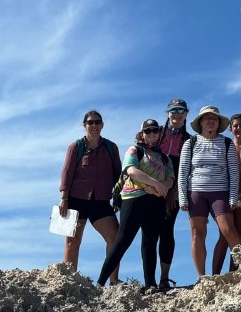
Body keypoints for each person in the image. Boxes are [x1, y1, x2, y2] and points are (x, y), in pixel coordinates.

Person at [96, 119, 176, 291]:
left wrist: (160, 187)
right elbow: (131, 170)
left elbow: (170, 179)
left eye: (155, 130)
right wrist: (155, 183)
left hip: (155, 200)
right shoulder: (134, 150)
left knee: (150, 241)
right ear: (141, 134)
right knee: (123, 240)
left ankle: (150, 284)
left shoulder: (165, 157)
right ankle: (100, 282)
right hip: (133, 198)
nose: (152, 134)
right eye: (148, 131)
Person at [178, 106, 241, 278]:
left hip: (220, 192)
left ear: (219, 122)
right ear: (200, 122)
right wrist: (182, 197)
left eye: (214, 118)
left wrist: (233, 196)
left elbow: (233, 172)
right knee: (197, 234)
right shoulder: (190, 143)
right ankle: (202, 277)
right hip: (195, 192)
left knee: (228, 229)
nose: (211, 121)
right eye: (207, 118)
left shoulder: (227, 143)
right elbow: (183, 171)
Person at [58, 110, 121, 282]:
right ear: (85, 125)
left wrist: (118, 198)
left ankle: (114, 280)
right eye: (90, 122)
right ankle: (69, 280)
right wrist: (64, 198)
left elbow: (118, 175)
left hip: (100, 201)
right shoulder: (75, 147)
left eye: (97, 122)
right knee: (73, 241)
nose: (94, 125)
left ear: (102, 125)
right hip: (76, 200)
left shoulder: (111, 147)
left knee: (115, 238)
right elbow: (67, 172)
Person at [212, 114, 241, 274]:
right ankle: (214, 275)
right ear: (230, 129)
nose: (239, 128)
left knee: (238, 233)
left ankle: (233, 273)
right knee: (224, 234)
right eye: (235, 126)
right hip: (226, 195)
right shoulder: (225, 146)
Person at [155, 99, 191, 276]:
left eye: (180, 110)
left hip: (173, 191)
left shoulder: (189, 140)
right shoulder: (156, 133)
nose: (177, 114)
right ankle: (149, 279)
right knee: (149, 232)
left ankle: (164, 277)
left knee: (167, 230)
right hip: (150, 189)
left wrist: (174, 192)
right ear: (167, 113)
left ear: (186, 113)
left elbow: (188, 170)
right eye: (173, 110)